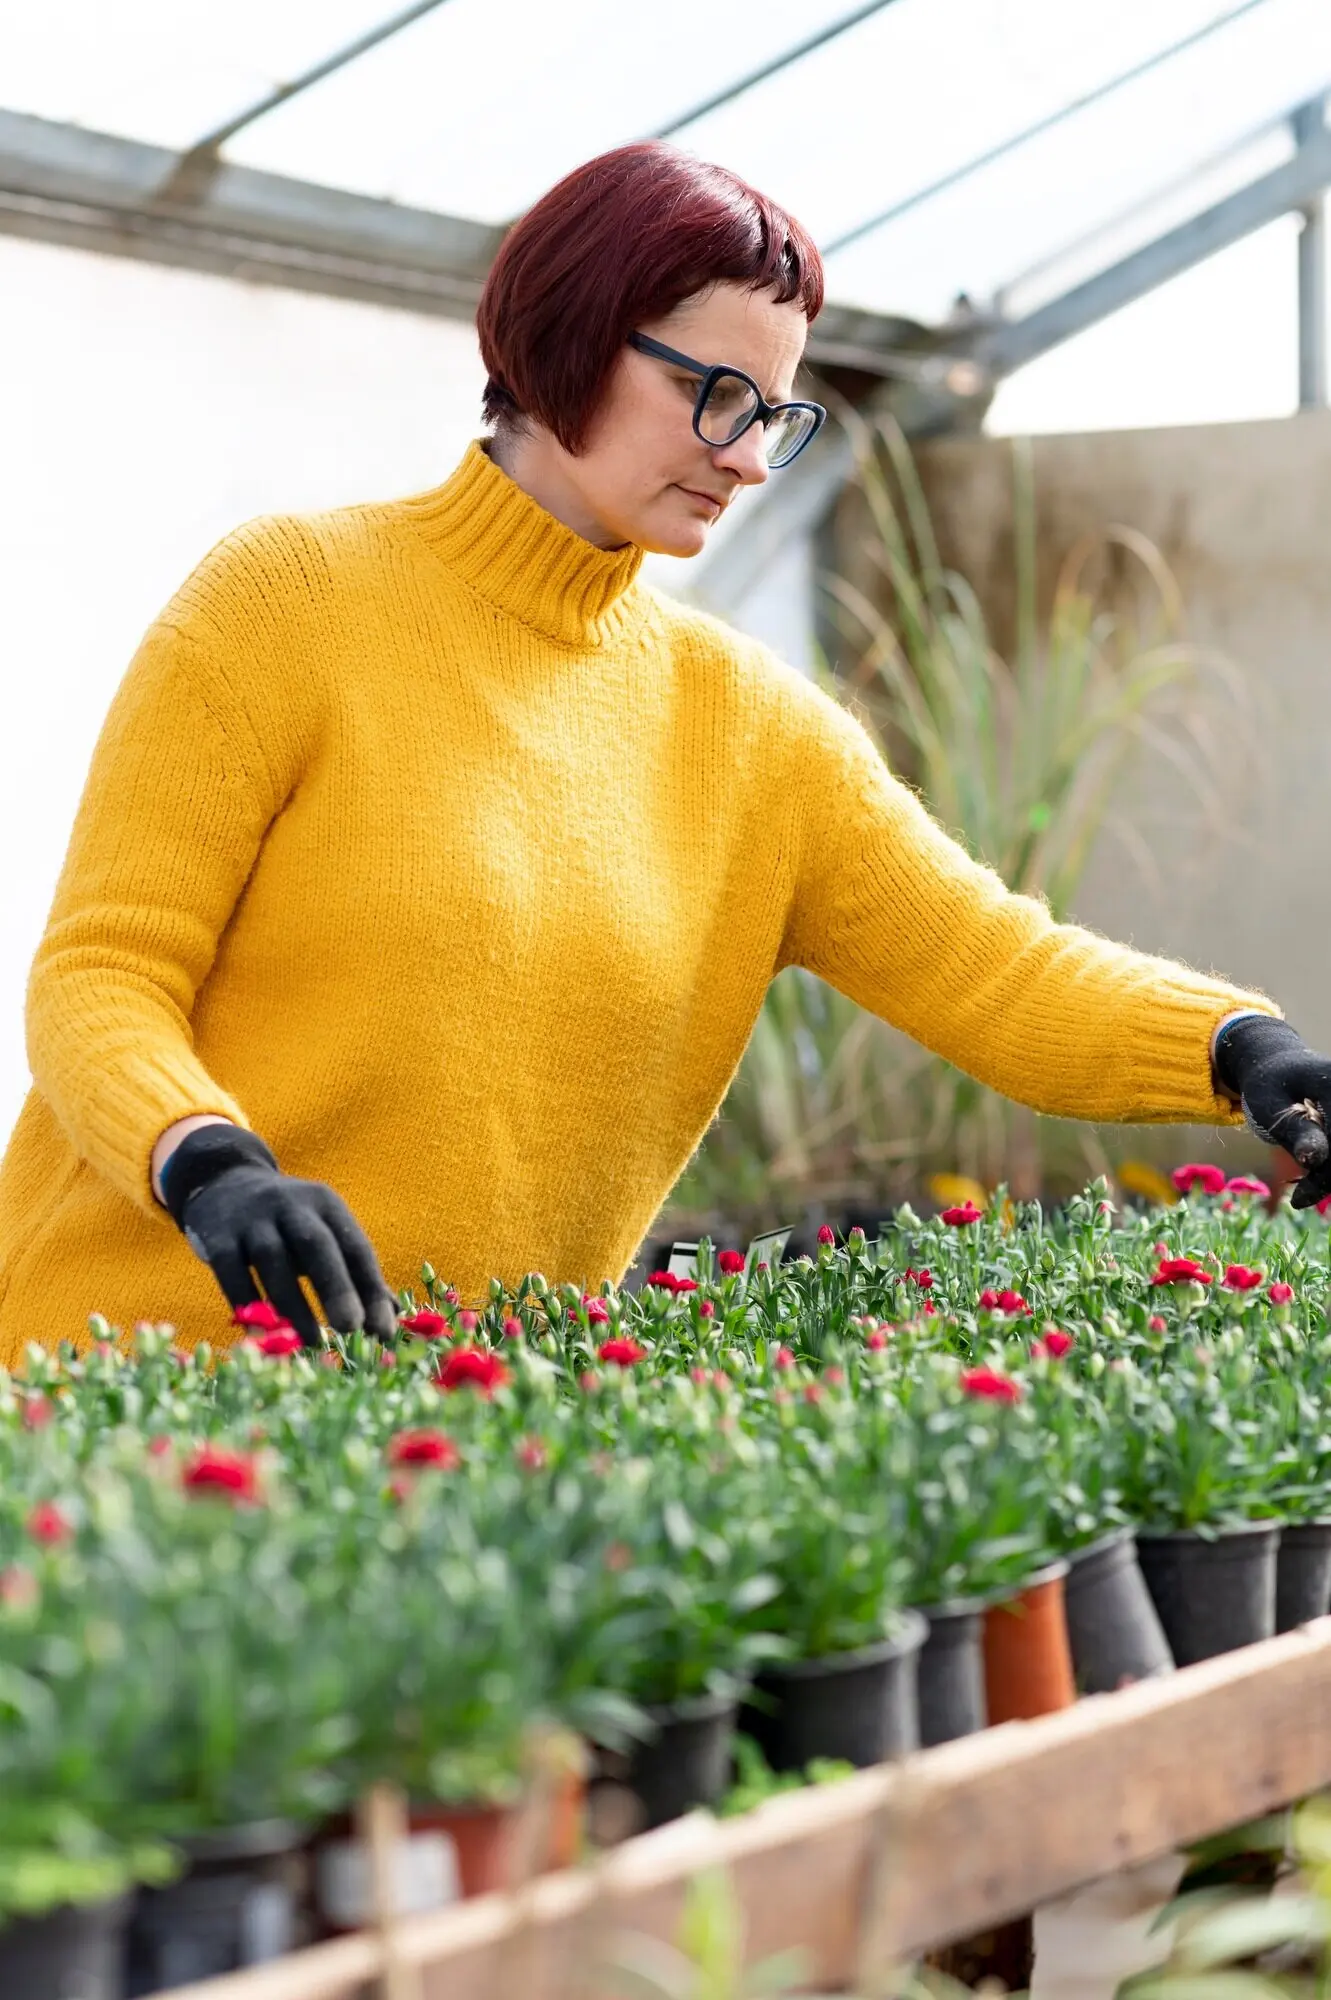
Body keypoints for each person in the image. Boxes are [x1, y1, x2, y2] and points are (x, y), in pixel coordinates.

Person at [1, 142, 1328, 1361]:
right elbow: (101, 972)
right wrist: (206, 1159)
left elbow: (993, 972)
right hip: (114, 1379)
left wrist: (1240, 1049)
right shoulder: (287, 601)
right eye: (714, 394)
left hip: (437, 1433)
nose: (749, 459)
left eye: (776, 414)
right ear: (567, 336)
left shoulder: (750, 730)